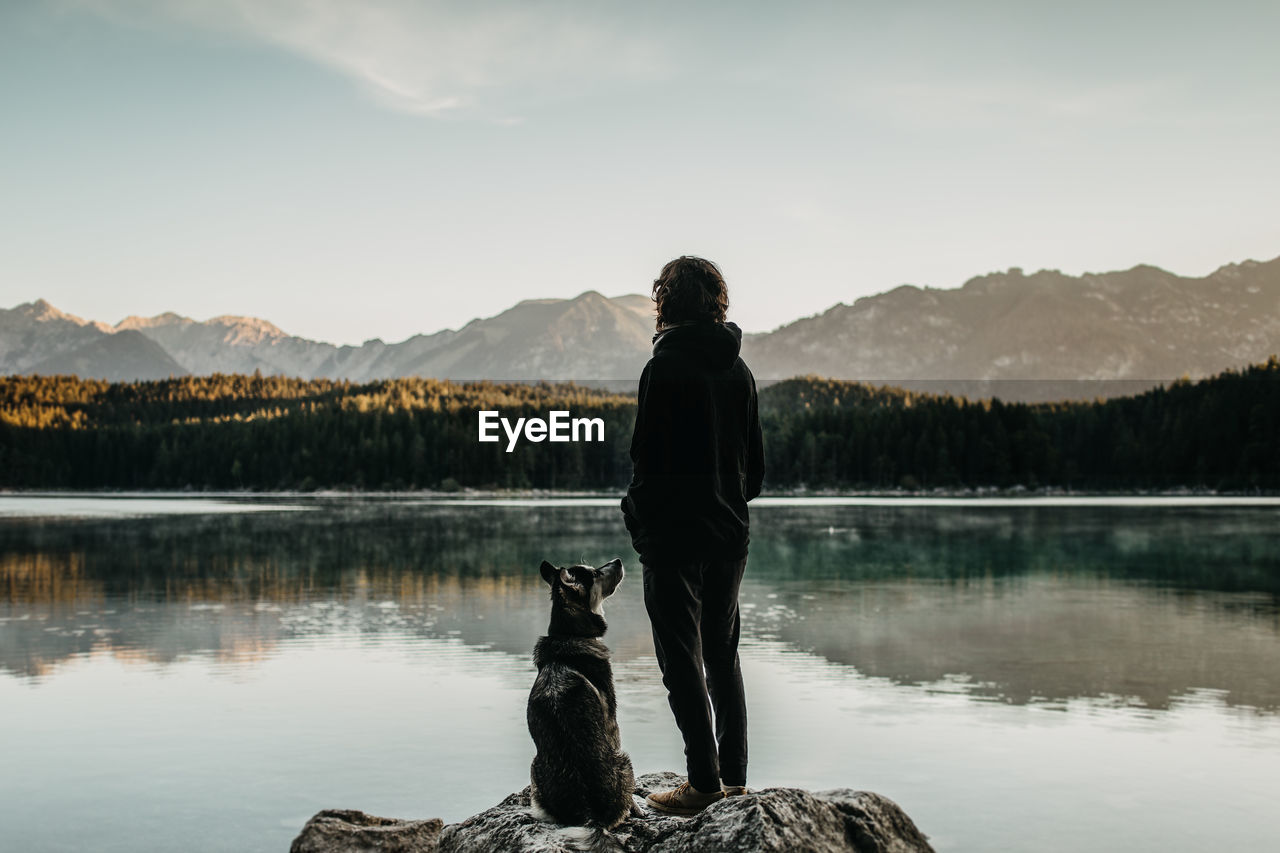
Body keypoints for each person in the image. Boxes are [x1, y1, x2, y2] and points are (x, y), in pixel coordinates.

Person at [621, 255, 765, 815]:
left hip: (674, 541)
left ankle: (702, 785)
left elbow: (646, 462)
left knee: (681, 661)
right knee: (722, 655)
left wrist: (638, 523)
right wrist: (723, 502)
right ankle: (734, 781)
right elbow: (754, 473)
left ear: (665, 304)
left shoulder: (664, 368)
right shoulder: (740, 371)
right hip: (729, 536)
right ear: (718, 303)